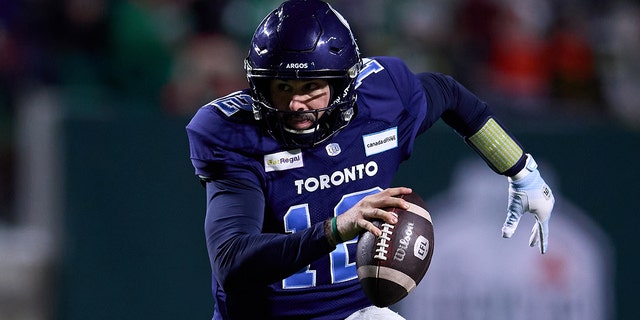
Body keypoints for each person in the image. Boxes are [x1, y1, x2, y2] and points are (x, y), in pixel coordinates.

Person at [185, 0, 555, 319]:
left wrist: (521, 168)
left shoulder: (381, 99)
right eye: (282, 87)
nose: (296, 104)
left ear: (343, 84)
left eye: (311, 87)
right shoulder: (234, 136)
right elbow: (232, 259)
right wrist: (334, 229)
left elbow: (449, 94)